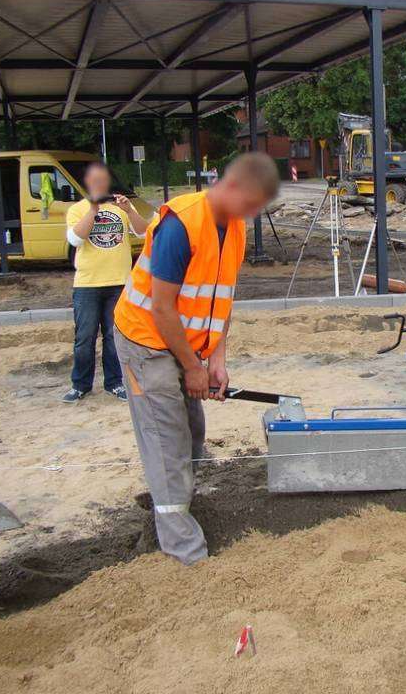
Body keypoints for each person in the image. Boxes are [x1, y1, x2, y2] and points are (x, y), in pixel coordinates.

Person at [113, 152, 280, 564]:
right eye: (250, 204)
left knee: (192, 429)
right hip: (145, 339)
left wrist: (216, 360)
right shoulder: (180, 224)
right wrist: (192, 368)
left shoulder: (234, 229)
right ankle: (185, 552)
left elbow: (221, 299)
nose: (250, 215)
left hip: (184, 341)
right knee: (167, 436)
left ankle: (174, 500)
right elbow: (162, 308)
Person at [62, 161, 149, 403]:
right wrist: (93, 210)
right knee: (84, 337)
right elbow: (75, 240)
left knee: (114, 337)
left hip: (119, 282)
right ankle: (80, 384)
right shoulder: (78, 209)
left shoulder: (122, 207)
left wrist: (130, 211)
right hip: (87, 284)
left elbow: (144, 232)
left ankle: (114, 382)